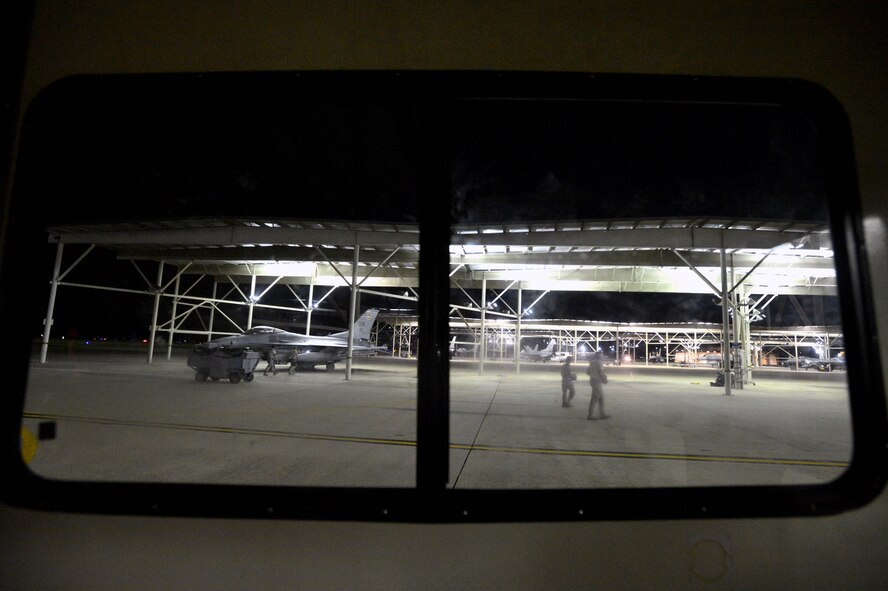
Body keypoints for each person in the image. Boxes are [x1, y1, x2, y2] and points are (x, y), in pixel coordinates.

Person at [586, 351, 610, 420]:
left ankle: (602, 414)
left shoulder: (592, 362)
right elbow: (600, 372)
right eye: (602, 355)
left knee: (601, 398)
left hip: (592, 381)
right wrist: (604, 379)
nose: (602, 356)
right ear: (599, 356)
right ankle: (590, 415)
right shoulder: (599, 363)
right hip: (597, 381)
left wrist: (593, 374)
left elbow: (587, 372)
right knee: (595, 398)